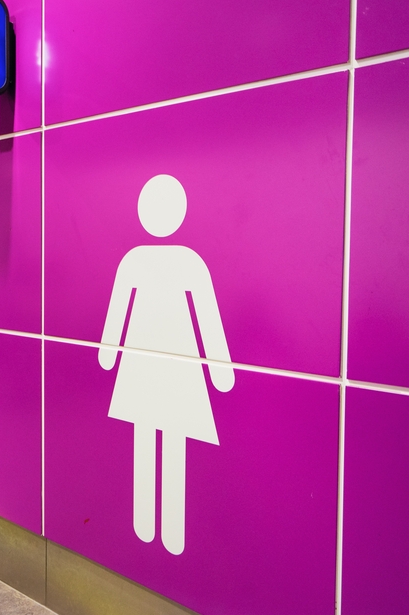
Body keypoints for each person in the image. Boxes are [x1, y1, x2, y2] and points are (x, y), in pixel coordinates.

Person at [98, 174, 234, 555]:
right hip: (177, 366)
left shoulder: (136, 260)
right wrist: (220, 371)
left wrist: (109, 354)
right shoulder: (187, 261)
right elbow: (206, 317)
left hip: (147, 364)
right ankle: (165, 529)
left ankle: (151, 524)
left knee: (153, 435)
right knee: (166, 438)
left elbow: (117, 317)